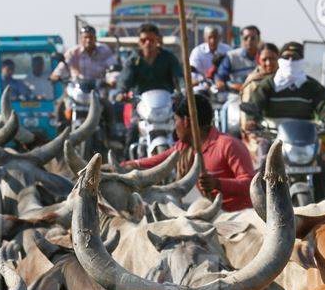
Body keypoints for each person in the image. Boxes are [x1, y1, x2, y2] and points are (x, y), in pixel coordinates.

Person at [121, 93, 255, 211]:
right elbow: (157, 161)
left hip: (236, 219)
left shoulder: (228, 145)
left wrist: (217, 184)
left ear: (186, 121)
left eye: (175, 120)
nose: (175, 126)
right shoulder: (183, 147)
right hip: (204, 214)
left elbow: (250, 184)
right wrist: (125, 166)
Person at [244, 42, 325, 131]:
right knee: (259, 149)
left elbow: (324, 106)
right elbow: (255, 105)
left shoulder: (312, 86)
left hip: (305, 136)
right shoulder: (267, 84)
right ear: (280, 60)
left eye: (295, 57)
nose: (290, 61)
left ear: (302, 61)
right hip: (272, 135)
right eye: (286, 57)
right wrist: (251, 120)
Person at [115, 23, 183, 99]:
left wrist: (184, 90)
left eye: (151, 40)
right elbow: (125, 79)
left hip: (166, 104)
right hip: (140, 105)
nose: (147, 43)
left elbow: (179, 77)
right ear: (139, 42)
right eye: (143, 40)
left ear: (158, 40)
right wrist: (121, 93)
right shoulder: (133, 60)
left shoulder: (169, 58)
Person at [240, 43, 279, 157]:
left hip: (285, 130)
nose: (268, 63)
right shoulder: (253, 82)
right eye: (264, 59)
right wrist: (250, 128)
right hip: (260, 132)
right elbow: (246, 114)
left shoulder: (286, 79)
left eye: (272, 59)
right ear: (258, 60)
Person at [50, 25, 116, 82]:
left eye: (91, 37)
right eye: (85, 37)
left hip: (99, 88)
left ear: (95, 38)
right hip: (77, 89)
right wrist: (56, 75)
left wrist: (112, 79)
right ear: (81, 39)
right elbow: (63, 66)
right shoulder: (73, 52)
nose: (88, 40)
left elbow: (113, 67)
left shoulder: (104, 50)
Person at [215, 25, 261, 92]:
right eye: (246, 38)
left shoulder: (265, 56)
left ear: (258, 39)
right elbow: (220, 77)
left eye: (253, 38)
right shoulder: (232, 56)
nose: (249, 41)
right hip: (236, 95)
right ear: (241, 39)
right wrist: (220, 82)